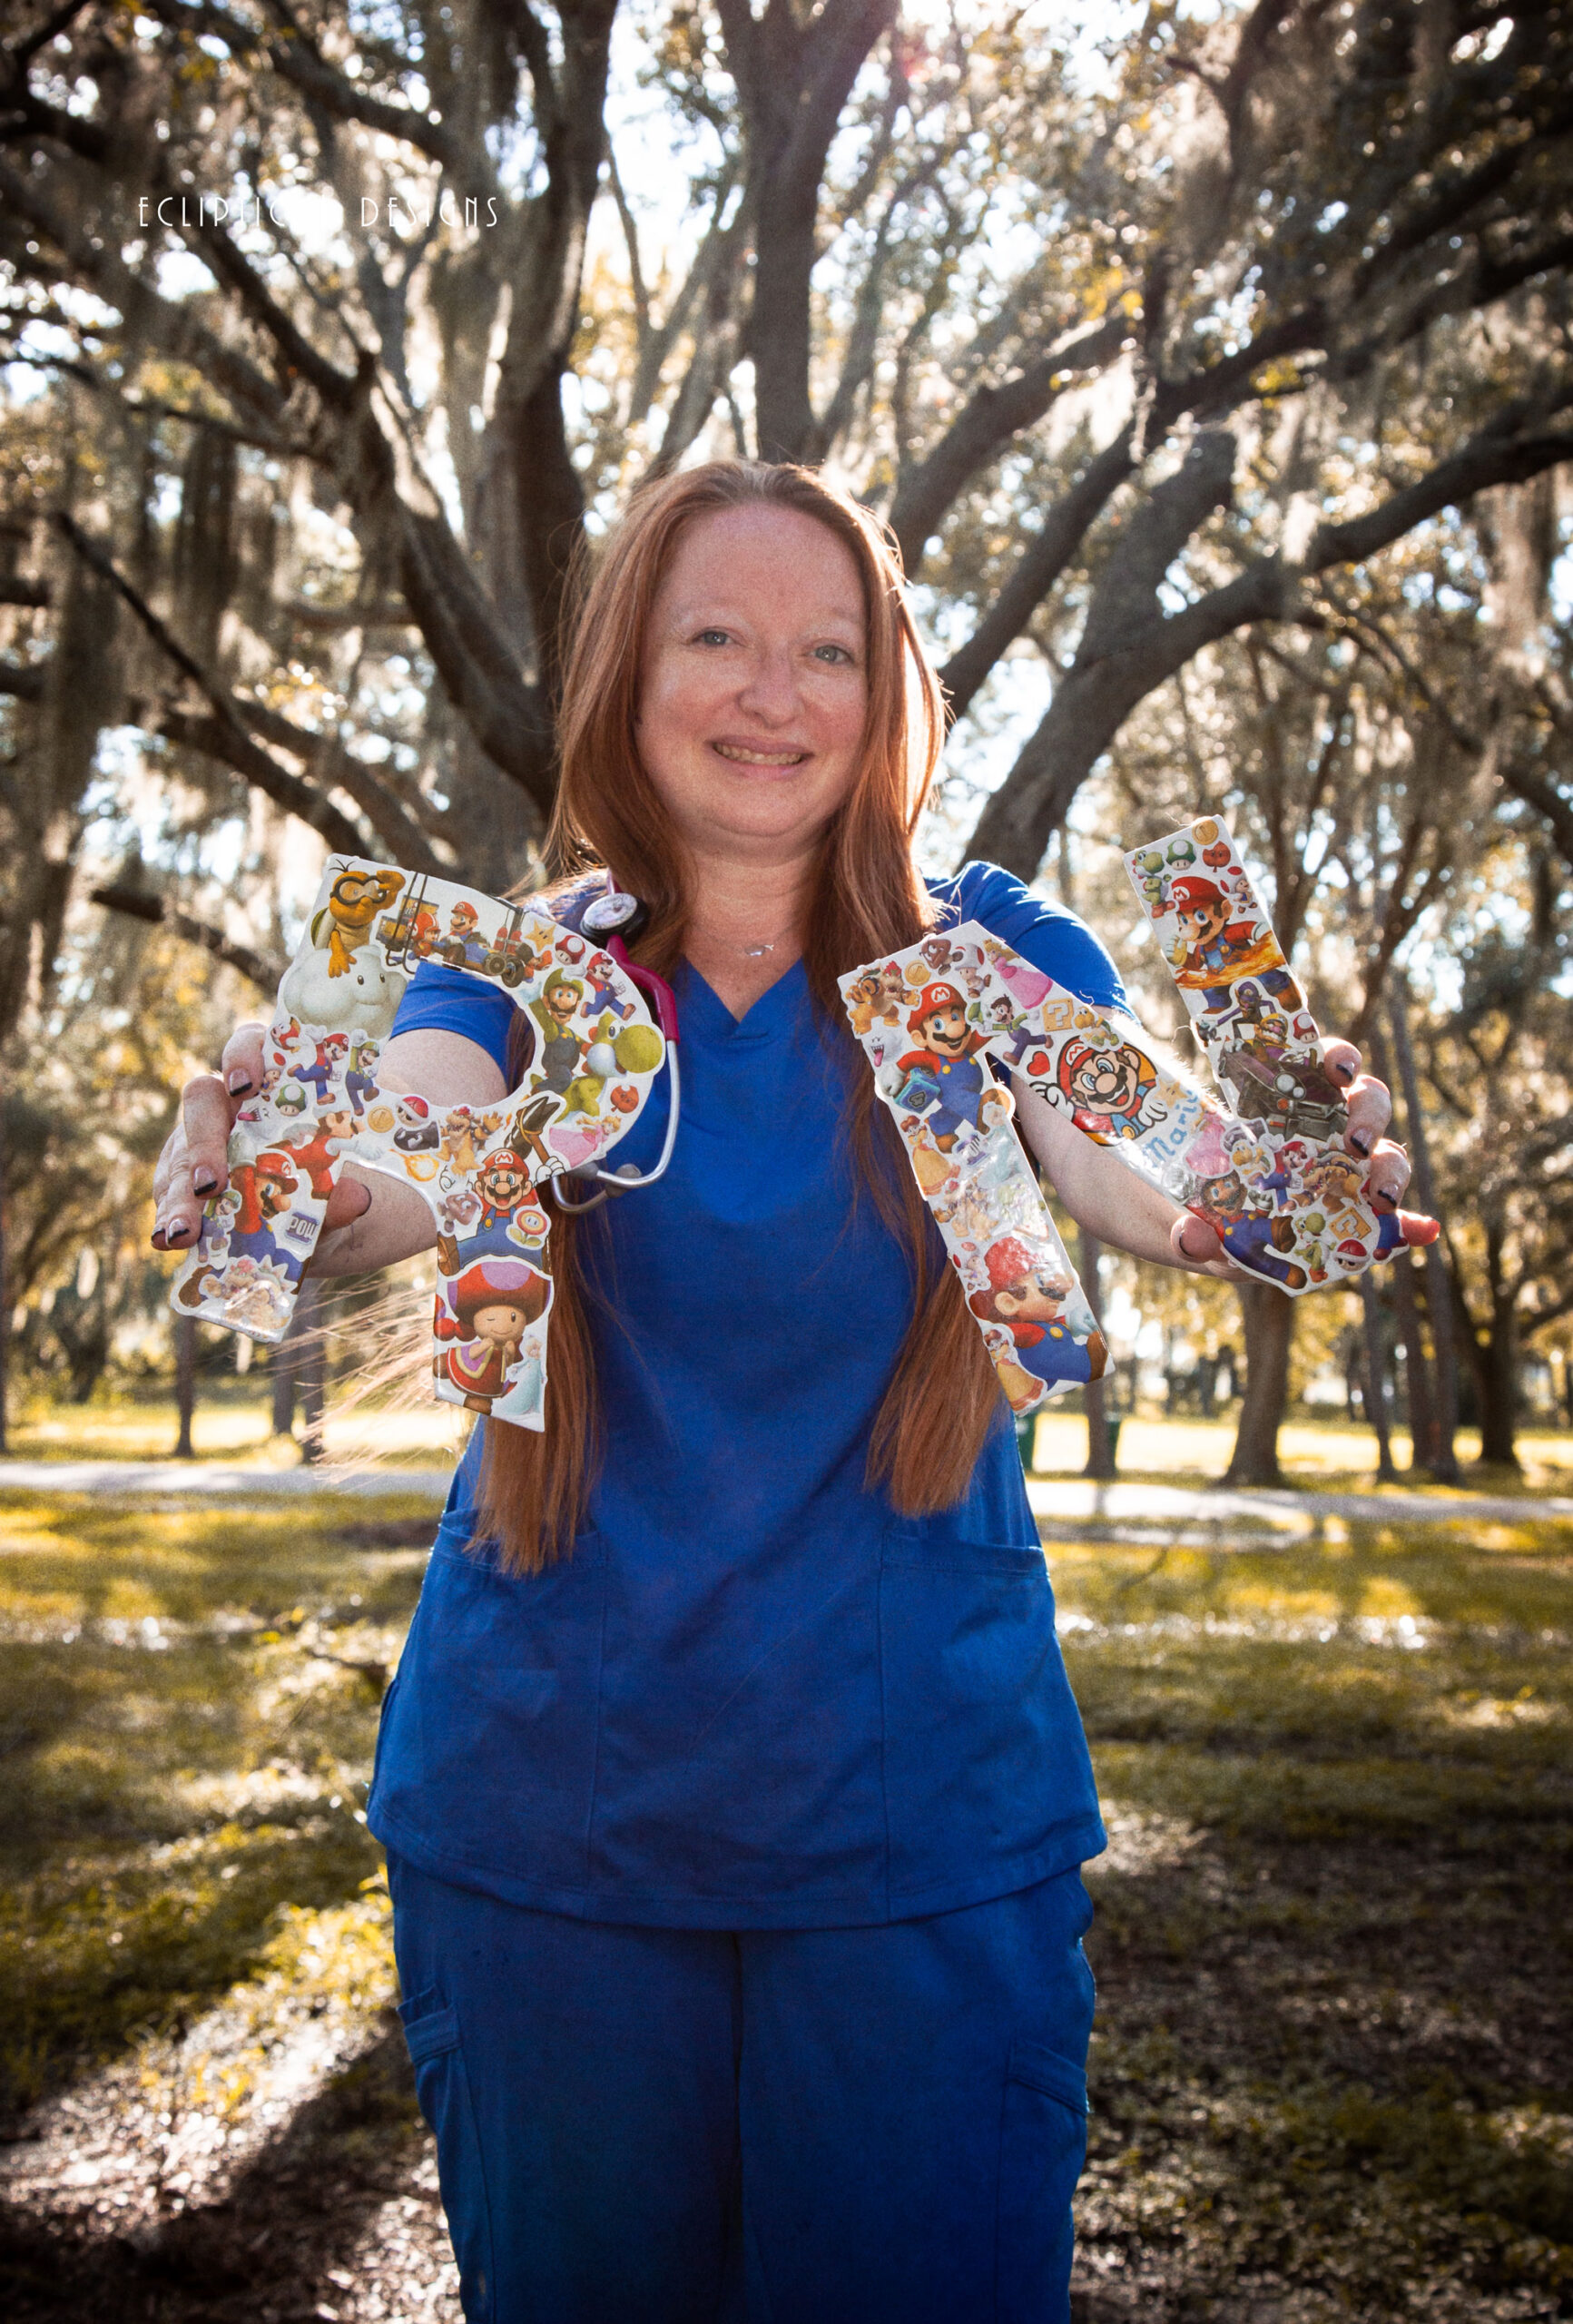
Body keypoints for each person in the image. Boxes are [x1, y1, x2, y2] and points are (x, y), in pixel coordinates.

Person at [152, 460, 1433, 2323]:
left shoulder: (990, 956)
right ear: (628, 675)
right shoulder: (517, 972)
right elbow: (413, 1147)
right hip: (548, 1824)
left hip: (921, 1826)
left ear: (887, 689)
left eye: (829, 649)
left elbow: (1124, 1159)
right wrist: (290, 1184)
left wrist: (1258, 1197)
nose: (775, 693)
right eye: (717, 638)